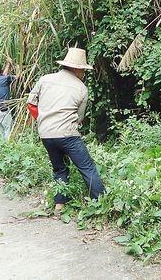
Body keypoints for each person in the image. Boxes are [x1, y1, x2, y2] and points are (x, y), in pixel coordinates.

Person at [27, 47, 105, 214]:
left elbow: (31, 104)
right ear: (77, 69)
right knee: (87, 168)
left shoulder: (45, 80)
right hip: (68, 134)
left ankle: (59, 205)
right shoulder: (81, 88)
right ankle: (101, 203)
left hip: (46, 134)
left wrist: (43, 121)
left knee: (59, 168)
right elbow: (79, 118)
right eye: (83, 70)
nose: (83, 73)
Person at [0, 61, 15, 140]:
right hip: (3, 109)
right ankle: (7, 147)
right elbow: (17, 76)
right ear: (1, 69)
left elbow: (4, 75)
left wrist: (8, 63)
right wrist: (18, 67)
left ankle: (2, 148)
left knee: (2, 131)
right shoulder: (5, 78)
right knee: (8, 130)